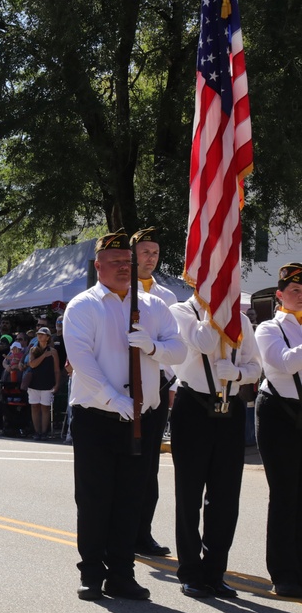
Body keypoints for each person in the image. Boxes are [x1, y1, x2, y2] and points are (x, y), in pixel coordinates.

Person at [63, 230, 184, 601]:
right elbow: (82, 362)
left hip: (143, 418)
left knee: (130, 498)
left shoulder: (152, 306)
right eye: (114, 261)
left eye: (127, 262)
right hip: (97, 417)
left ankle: (122, 573)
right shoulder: (83, 306)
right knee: (95, 497)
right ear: (98, 266)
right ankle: (92, 573)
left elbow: (178, 350)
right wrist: (116, 401)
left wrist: (153, 346)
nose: (122, 267)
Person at [169, 289, 260, 598]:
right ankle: (190, 571)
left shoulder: (242, 322)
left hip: (230, 408)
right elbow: (205, 342)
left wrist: (238, 372)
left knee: (225, 496)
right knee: (190, 493)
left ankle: (215, 571)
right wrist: (217, 311)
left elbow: (256, 366)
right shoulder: (182, 311)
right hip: (193, 406)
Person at [131, 227, 180, 558]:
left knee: (149, 465)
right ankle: (119, 530)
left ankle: (142, 533)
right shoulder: (119, 290)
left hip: (158, 387)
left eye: (155, 254)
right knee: (125, 462)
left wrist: (173, 384)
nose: (151, 259)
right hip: (125, 385)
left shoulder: (168, 298)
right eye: (146, 252)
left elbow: (175, 345)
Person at [255, 262, 302, 599]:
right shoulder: (269, 328)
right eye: (295, 290)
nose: (301, 296)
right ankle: (284, 572)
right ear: (280, 295)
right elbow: (283, 363)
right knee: (285, 494)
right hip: (279, 414)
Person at [26, 326, 60, 439]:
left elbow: (56, 370)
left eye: (42, 334)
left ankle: (44, 432)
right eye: (38, 334)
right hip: (34, 383)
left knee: (45, 408)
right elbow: (32, 364)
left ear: (48, 337)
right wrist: (44, 356)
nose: (39, 336)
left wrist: (57, 384)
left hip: (47, 383)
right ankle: (37, 431)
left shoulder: (53, 352)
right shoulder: (33, 349)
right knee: (34, 407)